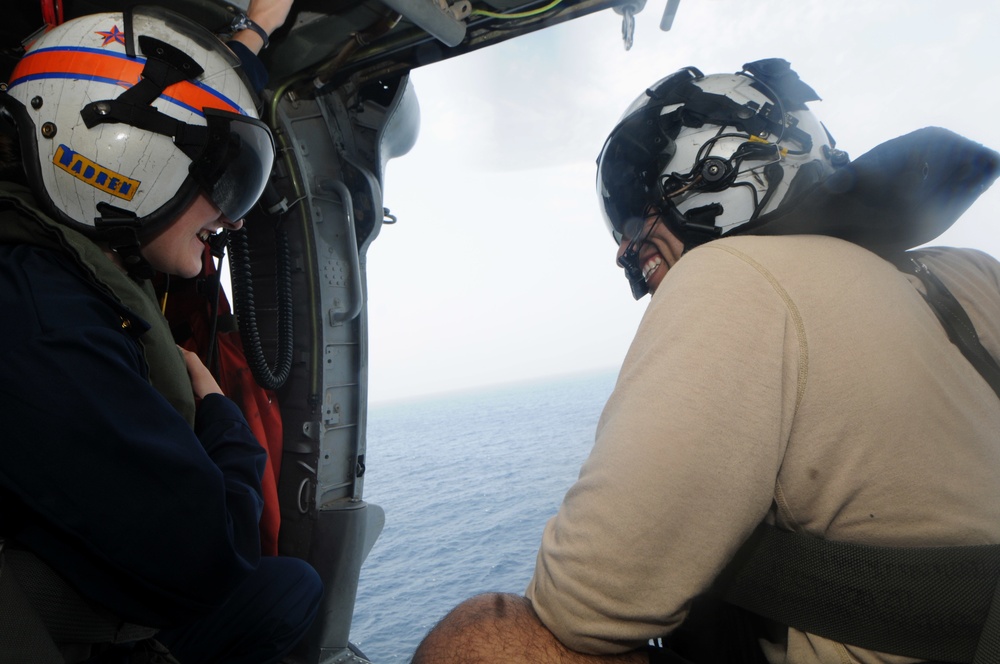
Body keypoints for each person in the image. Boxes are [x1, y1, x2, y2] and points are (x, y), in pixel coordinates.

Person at [410, 60, 1000, 663]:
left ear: (716, 168)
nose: (625, 246)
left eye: (639, 214)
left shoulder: (731, 275)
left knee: (479, 637)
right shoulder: (970, 271)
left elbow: (588, 603)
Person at [0, 2, 323, 663]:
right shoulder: (42, 320)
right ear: (125, 162)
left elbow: (146, 104)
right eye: (221, 182)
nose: (233, 219)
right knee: (289, 590)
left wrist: (256, 32)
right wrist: (217, 416)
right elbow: (214, 554)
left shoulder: (43, 264)